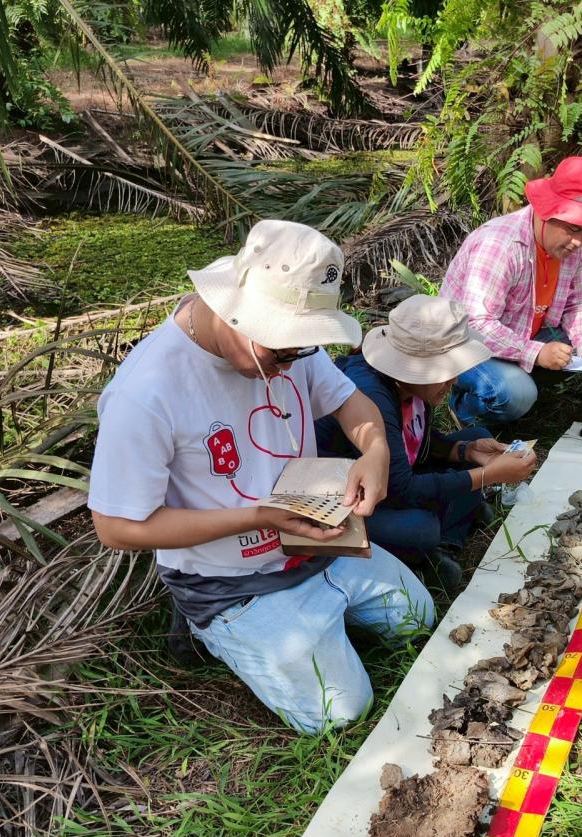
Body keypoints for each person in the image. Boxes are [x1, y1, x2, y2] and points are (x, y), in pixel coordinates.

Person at [87, 220, 434, 735]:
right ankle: (216, 629)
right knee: (339, 711)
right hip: (230, 579)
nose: (289, 365)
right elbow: (116, 528)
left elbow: (347, 402)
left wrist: (376, 448)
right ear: (234, 310)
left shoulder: (292, 350)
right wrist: (257, 518)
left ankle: (317, 622)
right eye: (280, 352)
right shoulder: (148, 391)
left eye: (301, 350)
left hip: (314, 540)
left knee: (417, 617)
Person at [315, 295, 537, 590]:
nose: (454, 381)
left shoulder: (415, 386)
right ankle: (433, 546)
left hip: (396, 478)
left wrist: (465, 451)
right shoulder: (372, 396)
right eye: (447, 373)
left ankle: (449, 531)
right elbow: (399, 489)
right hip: (354, 499)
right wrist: (486, 476)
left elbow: (414, 441)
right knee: (421, 528)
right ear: (412, 368)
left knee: (477, 438)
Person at [440, 155, 582, 425]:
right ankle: (465, 408)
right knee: (514, 393)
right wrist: (535, 353)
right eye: (573, 228)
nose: (579, 242)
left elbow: (578, 303)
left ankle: (521, 386)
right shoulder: (499, 245)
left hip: (522, 334)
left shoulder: (574, 244)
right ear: (547, 211)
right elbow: (476, 324)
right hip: (464, 345)